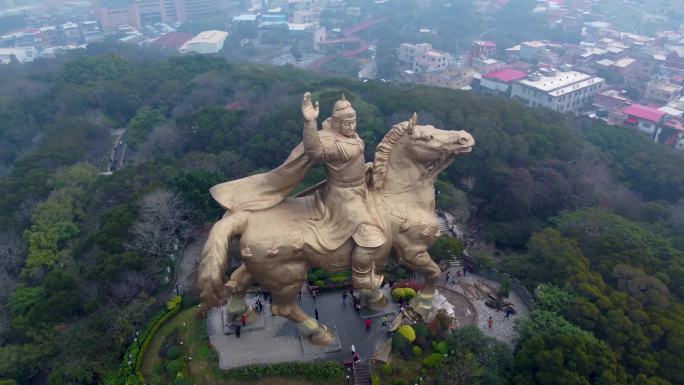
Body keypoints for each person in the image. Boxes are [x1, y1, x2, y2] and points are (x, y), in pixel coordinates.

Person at [299, 93, 387, 292]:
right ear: (337, 123)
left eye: (353, 122)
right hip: (343, 195)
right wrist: (310, 122)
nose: (351, 127)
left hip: (360, 186)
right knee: (370, 238)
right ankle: (361, 277)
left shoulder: (352, 138)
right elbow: (314, 152)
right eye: (346, 124)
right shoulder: (335, 144)